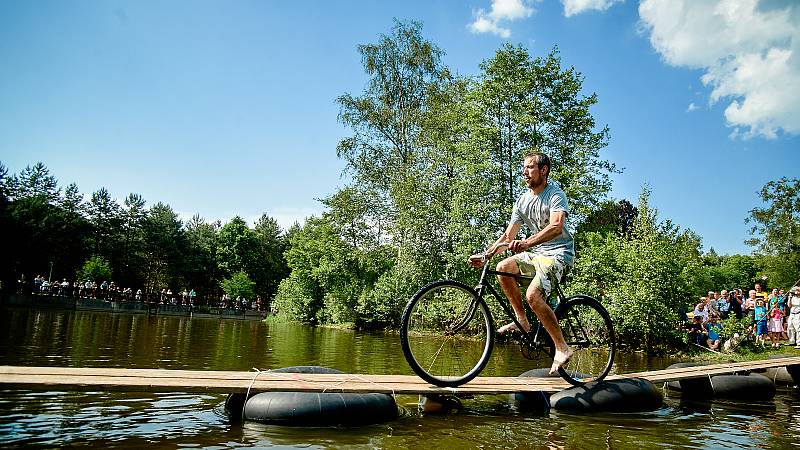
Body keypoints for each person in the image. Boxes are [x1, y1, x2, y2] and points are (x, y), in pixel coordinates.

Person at [469, 152, 574, 375]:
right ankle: (522, 320)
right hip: (537, 254)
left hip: (559, 254)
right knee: (503, 267)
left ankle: (562, 347)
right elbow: (508, 237)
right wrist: (486, 255)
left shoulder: (555, 194)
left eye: (529, 168)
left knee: (533, 296)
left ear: (543, 170)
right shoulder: (522, 201)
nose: (524, 172)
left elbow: (556, 226)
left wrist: (527, 243)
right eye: (523, 168)